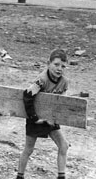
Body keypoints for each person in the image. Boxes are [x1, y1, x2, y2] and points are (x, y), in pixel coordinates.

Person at [16, 49, 70, 179]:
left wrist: (54, 118)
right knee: (28, 149)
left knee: (64, 145)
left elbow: (61, 101)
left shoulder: (64, 82)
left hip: (50, 118)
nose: (59, 69)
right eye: (56, 65)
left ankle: (61, 176)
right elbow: (27, 95)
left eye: (63, 66)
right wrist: (34, 118)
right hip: (35, 117)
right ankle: (19, 176)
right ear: (48, 63)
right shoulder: (42, 79)